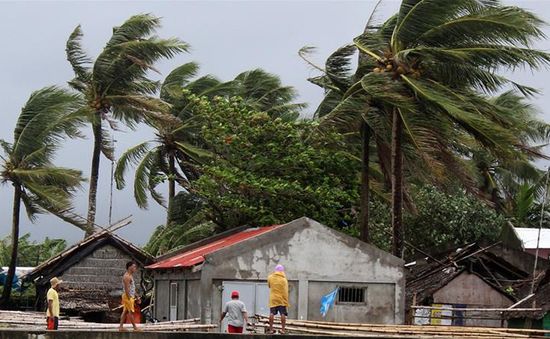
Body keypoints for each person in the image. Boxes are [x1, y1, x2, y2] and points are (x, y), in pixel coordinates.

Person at [119, 261, 141, 332]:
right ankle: (135, 327)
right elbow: (127, 289)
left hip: (130, 296)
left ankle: (121, 327)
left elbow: (132, 288)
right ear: (129, 267)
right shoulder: (127, 277)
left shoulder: (130, 275)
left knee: (125, 312)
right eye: (134, 267)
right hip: (127, 296)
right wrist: (129, 298)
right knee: (131, 312)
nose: (135, 268)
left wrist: (137, 296)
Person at [268, 264, 289, 334]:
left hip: (273, 298)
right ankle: (283, 329)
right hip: (281, 299)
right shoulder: (284, 279)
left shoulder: (270, 277)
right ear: (282, 271)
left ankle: (271, 329)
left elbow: (269, 286)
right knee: (283, 313)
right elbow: (286, 290)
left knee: (271, 313)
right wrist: (286, 301)